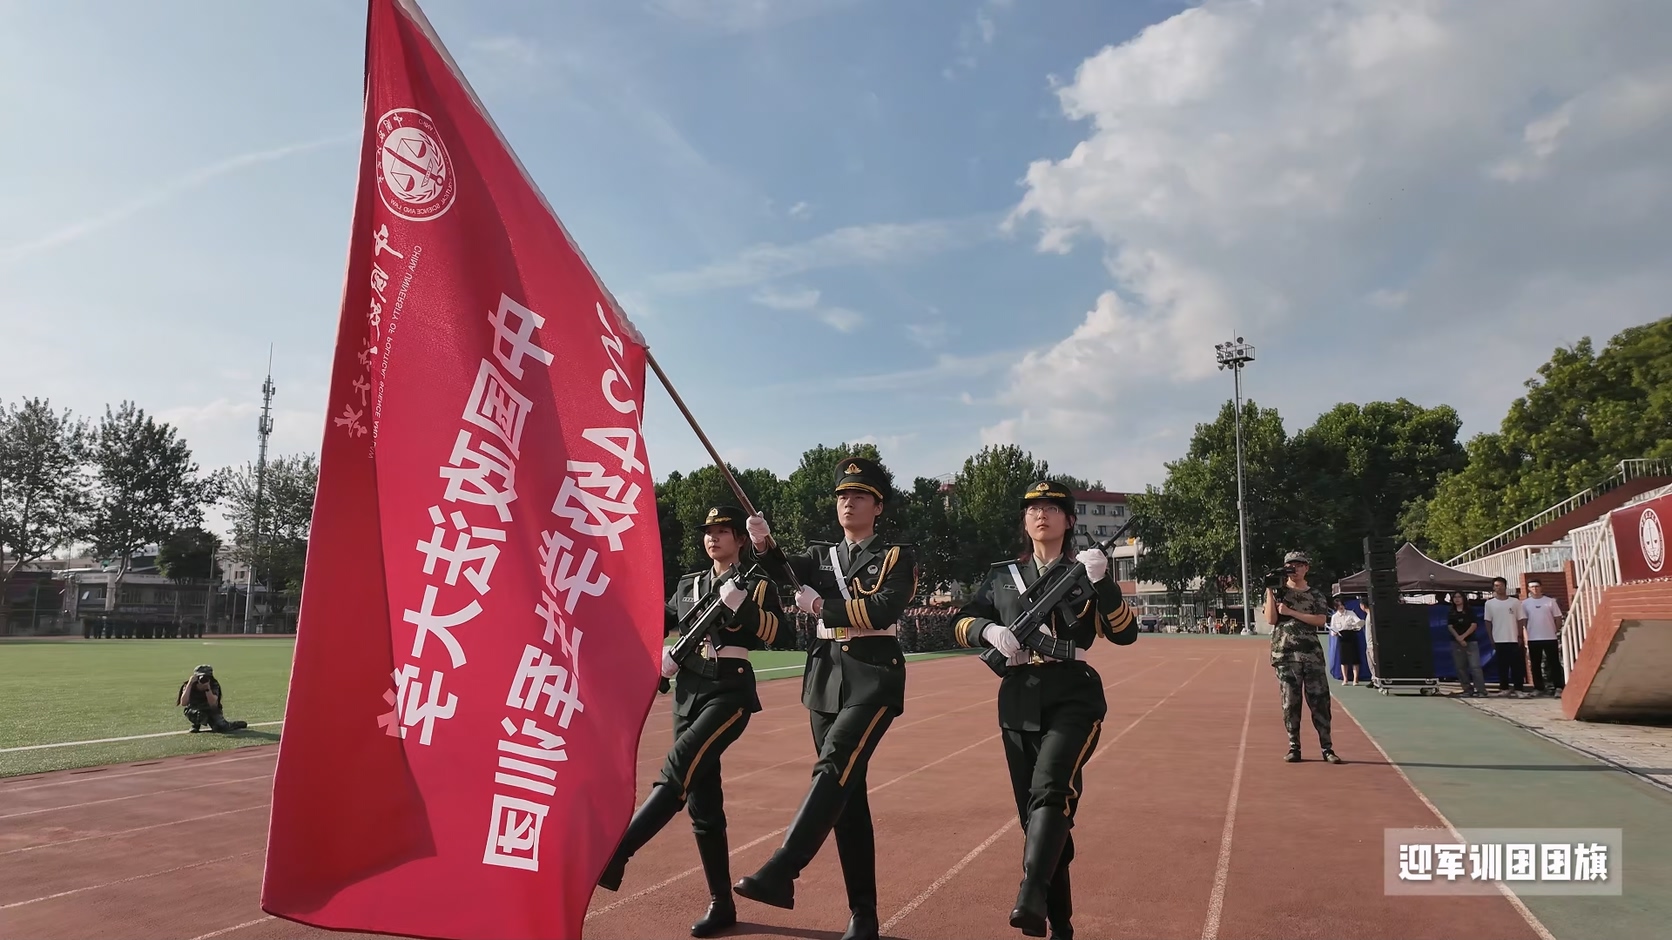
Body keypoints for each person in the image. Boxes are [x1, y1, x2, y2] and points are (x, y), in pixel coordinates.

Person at [734, 457, 915, 940]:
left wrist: (820, 605)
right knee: (845, 795)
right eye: (842, 496)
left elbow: (883, 608)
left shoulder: (895, 557)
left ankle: (783, 867)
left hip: (874, 676)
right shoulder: (819, 556)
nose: (848, 503)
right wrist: (762, 542)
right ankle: (863, 915)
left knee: (834, 764)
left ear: (878, 506)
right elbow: (779, 570)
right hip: (825, 679)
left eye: (859, 495)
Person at [950, 479, 1137, 939]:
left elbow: (1124, 633)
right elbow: (961, 620)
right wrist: (988, 632)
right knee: (1037, 817)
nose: (1041, 514)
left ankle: (1030, 890)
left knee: (1051, 789)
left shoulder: (1087, 571)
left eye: (1052, 508)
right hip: (1018, 697)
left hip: (1074, 694)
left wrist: (1103, 582)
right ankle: (1061, 925)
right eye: (1033, 508)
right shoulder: (1002, 576)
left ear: (1069, 520)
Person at [596, 504, 783, 938]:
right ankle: (721, 903)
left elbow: (779, 633)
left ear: (740, 539)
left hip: (729, 693)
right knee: (703, 802)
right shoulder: (689, 585)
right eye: (709, 531)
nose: (713, 537)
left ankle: (619, 852)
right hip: (687, 695)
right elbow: (654, 623)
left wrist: (744, 607)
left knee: (678, 767)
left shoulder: (755, 583)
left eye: (723, 531)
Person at [1265, 552, 1338, 764]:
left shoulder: (1315, 594)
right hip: (1285, 654)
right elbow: (1271, 619)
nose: (1294, 569)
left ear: (1306, 568)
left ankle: (1327, 748)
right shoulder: (1279, 592)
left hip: (1311, 654)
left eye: (1298, 565)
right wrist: (1269, 590)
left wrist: (1291, 612)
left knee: (1320, 702)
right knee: (1290, 703)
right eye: (1290, 566)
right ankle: (1294, 747)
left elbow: (1320, 620)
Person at [1483, 577, 1527, 697]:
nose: (1499, 588)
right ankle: (1504, 688)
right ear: (1493, 588)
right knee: (1502, 666)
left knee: (1516, 665)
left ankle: (1518, 689)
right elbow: (1488, 622)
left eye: (1501, 585)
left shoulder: (1515, 602)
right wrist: (1491, 638)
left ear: (1505, 586)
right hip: (1498, 639)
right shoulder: (1489, 603)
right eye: (1496, 586)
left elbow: (1520, 619)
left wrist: (1520, 635)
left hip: (1513, 638)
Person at [1521, 578, 1566, 696]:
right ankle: (1539, 688)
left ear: (1541, 587)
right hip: (1533, 638)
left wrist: (1554, 630)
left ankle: (1558, 687)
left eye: (1537, 586)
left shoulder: (1550, 601)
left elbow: (1557, 618)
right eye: (1532, 587)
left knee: (1554, 663)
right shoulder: (1525, 603)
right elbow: (1524, 622)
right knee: (1535, 664)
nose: (1535, 589)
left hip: (1550, 637)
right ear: (1528, 589)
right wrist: (1526, 637)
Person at [177, 665, 248, 734]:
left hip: (211, 710)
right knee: (198, 713)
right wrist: (189, 684)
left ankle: (233, 724)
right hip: (195, 709)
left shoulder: (213, 684)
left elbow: (213, 704)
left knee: (221, 728)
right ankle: (196, 725)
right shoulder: (190, 685)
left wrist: (207, 689)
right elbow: (183, 703)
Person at [1445, 592, 1488, 697]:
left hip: (1471, 641)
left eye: (1459, 597)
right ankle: (1467, 689)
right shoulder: (1451, 612)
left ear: (1463, 598)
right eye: (1455, 597)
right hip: (1456, 642)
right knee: (1460, 667)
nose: (1457, 599)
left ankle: (1481, 690)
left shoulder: (1470, 611)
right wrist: (1458, 638)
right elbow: (1450, 626)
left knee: (1475, 666)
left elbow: (1474, 625)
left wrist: (1464, 637)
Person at [1327, 598, 1364, 686]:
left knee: (1355, 659)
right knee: (1344, 660)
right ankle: (1345, 679)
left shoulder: (1351, 613)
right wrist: (1334, 633)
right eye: (1339, 606)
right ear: (1336, 607)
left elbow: (1358, 622)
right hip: (1342, 638)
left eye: (1342, 605)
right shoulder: (1334, 617)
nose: (1341, 607)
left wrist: (1356, 625)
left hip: (1352, 636)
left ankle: (1355, 679)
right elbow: (1332, 629)